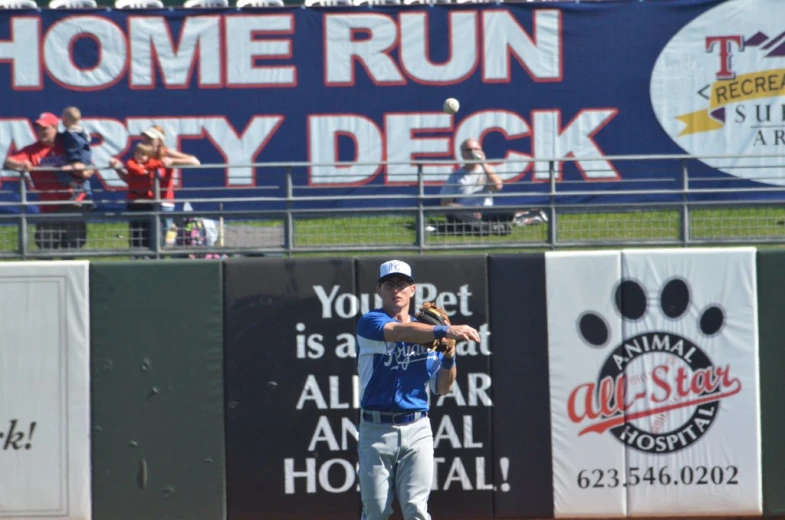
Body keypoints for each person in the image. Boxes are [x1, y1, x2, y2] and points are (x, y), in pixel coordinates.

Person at [355, 260, 481, 520]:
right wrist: (446, 329)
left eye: (402, 284)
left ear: (413, 290)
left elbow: (443, 387)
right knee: (376, 512)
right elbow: (401, 333)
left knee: (415, 509)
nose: (396, 290)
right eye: (389, 284)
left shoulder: (428, 333)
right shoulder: (370, 323)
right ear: (379, 290)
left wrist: (449, 355)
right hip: (376, 429)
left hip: (417, 428)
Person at [2, 112, 94, 250]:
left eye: (45, 128)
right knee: (45, 246)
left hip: (72, 202)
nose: (41, 132)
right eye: (39, 128)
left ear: (55, 127)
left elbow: (88, 164)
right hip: (48, 205)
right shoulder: (33, 150)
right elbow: (9, 161)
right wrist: (21, 165)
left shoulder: (68, 143)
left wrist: (84, 171)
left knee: (73, 245)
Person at [433, 138, 546, 236]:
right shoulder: (455, 176)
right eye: (468, 150)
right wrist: (467, 210)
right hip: (465, 213)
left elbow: (497, 186)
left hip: (485, 212)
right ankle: (494, 228)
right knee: (453, 214)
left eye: (476, 149)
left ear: (481, 151)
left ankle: (527, 216)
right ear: (462, 154)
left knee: (505, 211)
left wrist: (483, 163)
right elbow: (445, 203)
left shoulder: (487, 171)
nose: (472, 152)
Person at [140, 124, 200, 239]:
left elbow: (195, 161)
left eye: (150, 139)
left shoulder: (165, 152)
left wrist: (172, 161)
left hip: (164, 202)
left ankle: (159, 257)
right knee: (145, 237)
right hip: (146, 201)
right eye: (145, 137)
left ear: (159, 141)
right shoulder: (142, 154)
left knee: (161, 237)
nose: (146, 141)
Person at [109, 143, 172, 250]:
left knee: (150, 229)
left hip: (149, 201)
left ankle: (150, 253)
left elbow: (158, 163)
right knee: (136, 230)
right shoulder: (130, 162)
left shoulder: (151, 163)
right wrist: (144, 169)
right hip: (134, 202)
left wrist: (147, 167)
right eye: (137, 153)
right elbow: (136, 170)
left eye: (143, 154)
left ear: (149, 156)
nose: (139, 156)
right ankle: (136, 253)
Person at [59, 106, 93, 206]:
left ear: (66, 119)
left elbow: (75, 147)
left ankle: (79, 191)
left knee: (62, 174)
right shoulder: (83, 131)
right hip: (86, 160)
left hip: (75, 161)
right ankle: (88, 197)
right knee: (84, 180)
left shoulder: (70, 134)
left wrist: (74, 162)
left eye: (63, 118)